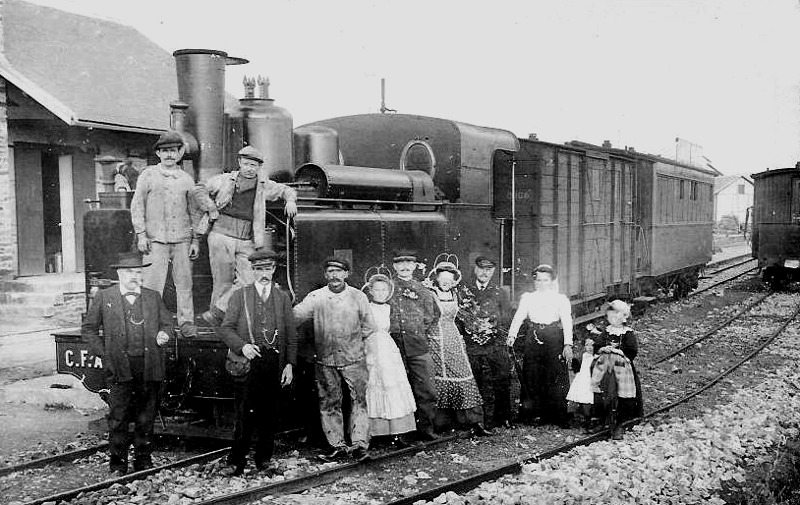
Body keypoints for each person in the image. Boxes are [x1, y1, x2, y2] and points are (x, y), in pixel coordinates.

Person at [83, 252, 173, 476]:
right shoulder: (105, 297)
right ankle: (118, 464)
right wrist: (104, 354)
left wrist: (164, 334)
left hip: (149, 365)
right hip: (119, 366)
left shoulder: (153, 297)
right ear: (120, 274)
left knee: (146, 416)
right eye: (131, 272)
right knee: (118, 416)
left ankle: (143, 461)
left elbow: (168, 324)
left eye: (139, 272)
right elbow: (88, 330)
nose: (136, 276)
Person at [193, 146, 298, 326]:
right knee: (222, 282)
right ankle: (220, 324)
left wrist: (290, 200)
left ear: (259, 167)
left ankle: (216, 312)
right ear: (240, 163)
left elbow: (286, 190)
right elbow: (198, 190)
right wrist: (210, 207)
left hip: (247, 240)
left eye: (254, 165)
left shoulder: (264, 185)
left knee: (250, 280)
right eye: (247, 164)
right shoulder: (224, 180)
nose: (250, 168)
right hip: (221, 235)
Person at [217, 249, 296, 476]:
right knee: (244, 414)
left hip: (274, 361)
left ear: (274, 270)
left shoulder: (282, 298)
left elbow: (291, 334)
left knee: (269, 414)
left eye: (268, 269)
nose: (264, 273)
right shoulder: (240, 296)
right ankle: (236, 462)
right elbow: (225, 328)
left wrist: (289, 364)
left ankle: (264, 459)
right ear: (252, 271)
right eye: (259, 269)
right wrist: (242, 346)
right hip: (249, 360)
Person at [293, 257, 375, 462]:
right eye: (330, 272)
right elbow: (295, 317)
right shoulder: (316, 297)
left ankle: (359, 445)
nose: (334, 275)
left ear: (346, 274)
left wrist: (352, 343)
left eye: (339, 271)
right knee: (329, 402)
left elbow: (369, 326)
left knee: (360, 401)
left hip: (354, 359)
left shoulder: (358, 297)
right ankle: (337, 445)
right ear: (325, 275)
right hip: (326, 361)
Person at [130, 130, 200, 337]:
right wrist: (141, 234)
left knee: (185, 283)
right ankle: (151, 323)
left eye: (173, 151)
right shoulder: (148, 175)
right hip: (155, 240)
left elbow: (194, 211)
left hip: (182, 240)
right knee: (152, 284)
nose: (169, 155)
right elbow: (137, 205)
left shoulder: (187, 179)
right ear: (158, 153)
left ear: (180, 153)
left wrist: (195, 239)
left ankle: (186, 323)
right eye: (165, 151)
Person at [507, 264, 574, 427]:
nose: (542, 283)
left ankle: (558, 414)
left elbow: (567, 321)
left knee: (555, 374)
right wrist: (511, 335)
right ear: (535, 281)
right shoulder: (528, 298)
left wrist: (568, 344)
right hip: (534, 335)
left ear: (551, 281)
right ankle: (531, 414)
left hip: (553, 337)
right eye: (539, 280)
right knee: (532, 374)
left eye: (545, 280)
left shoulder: (560, 299)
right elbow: (519, 317)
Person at [427, 259, 488, 435]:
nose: (446, 281)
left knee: (463, 374)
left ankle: (473, 421)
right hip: (435, 340)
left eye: (449, 278)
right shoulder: (430, 294)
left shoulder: (456, 294)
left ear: (454, 280)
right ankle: (441, 422)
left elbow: (464, 315)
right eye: (442, 277)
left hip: (452, 338)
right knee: (439, 378)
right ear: (437, 278)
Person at [456, 255, 513, 430]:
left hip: (494, 343)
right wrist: (471, 330)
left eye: (488, 269)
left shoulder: (500, 292)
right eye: (481, 269)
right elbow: (459, 318)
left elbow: (506, 317)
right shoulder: (465, 291)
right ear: (475, 270)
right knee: (476, 380)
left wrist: (491, 324)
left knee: (502, 378)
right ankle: (478, 419)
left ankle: (502, 417)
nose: (484, 273)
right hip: (473, 344)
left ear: (493, 271)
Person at [388, 249, 440, 441]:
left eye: (409, 262)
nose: (404, 266)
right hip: (393, 348)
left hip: (418, 347)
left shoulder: (423, 290)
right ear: (394, 266)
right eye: (400, 262)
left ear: (415, 266)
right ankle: (401, 433)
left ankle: (426, 429)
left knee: (427, 389)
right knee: (397, 389)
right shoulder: (388, 288)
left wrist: (415, 330)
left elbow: (432, 315)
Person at [363, 273, 417, 444]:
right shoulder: (366, 308)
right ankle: (374, 432)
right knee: (374, 384)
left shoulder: (389, 308)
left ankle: (397, 431)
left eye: (384, 290)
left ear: (389, 292)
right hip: (371, 348)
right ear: (371, 291)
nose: (381, 293)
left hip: (388, 349)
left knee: (392, 385)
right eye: (377, 290)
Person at [590, 299, 641, 440]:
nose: (611, 320)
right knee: (599, 389)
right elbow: (597, 345)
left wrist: (618, 351)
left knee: (623, 394)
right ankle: (601, 419)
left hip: (621, 367)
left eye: (615, 316)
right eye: (609, 317)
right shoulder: (606, 331)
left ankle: (620, 423)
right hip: (605, 365)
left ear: (624, 316)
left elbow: (632, 351)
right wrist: (602, 348)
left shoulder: (627, 333)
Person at [566, 338, 595, 432]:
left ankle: (588, 420)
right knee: (574, 396)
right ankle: (570, 419)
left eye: (592, 345)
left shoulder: (596, 357)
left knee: (588, 398)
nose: (590, 347)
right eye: (587, 345)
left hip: (591, 378)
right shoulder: (583, 355)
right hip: (581, 377)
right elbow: (576, 367)